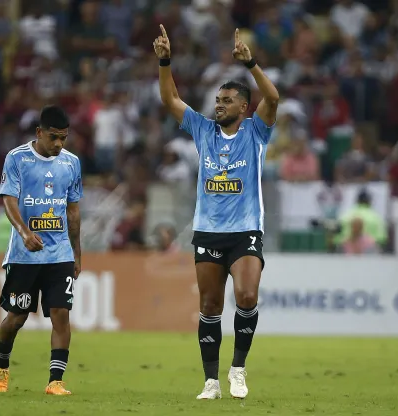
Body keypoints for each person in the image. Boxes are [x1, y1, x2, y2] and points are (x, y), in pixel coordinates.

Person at [154, 24, 279, 400]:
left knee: (246, 296)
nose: (219, 105)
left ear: (244, 106)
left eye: (226, 100)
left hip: (245, 231)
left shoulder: (257, 131)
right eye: (217, 100)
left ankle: (237, 370)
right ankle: (211, 382)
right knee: (208, 305)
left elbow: (273, 98)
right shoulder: (202, 130)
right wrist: (164, 61)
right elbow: (170, 99)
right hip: (208, 231)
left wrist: (252, 64)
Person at [0, 106, 83, 396]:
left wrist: (77, 253)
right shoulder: (17, 158)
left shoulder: (71, 163)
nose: (58, 144)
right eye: (53, 137)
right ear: (39, 132)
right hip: (24, 255)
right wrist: (24, 232)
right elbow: (9, 199)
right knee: (16, 318)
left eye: (64, 138)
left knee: (61, 314)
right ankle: (0, 368)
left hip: (60, 254)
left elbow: (73, 211)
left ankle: (55, 381)